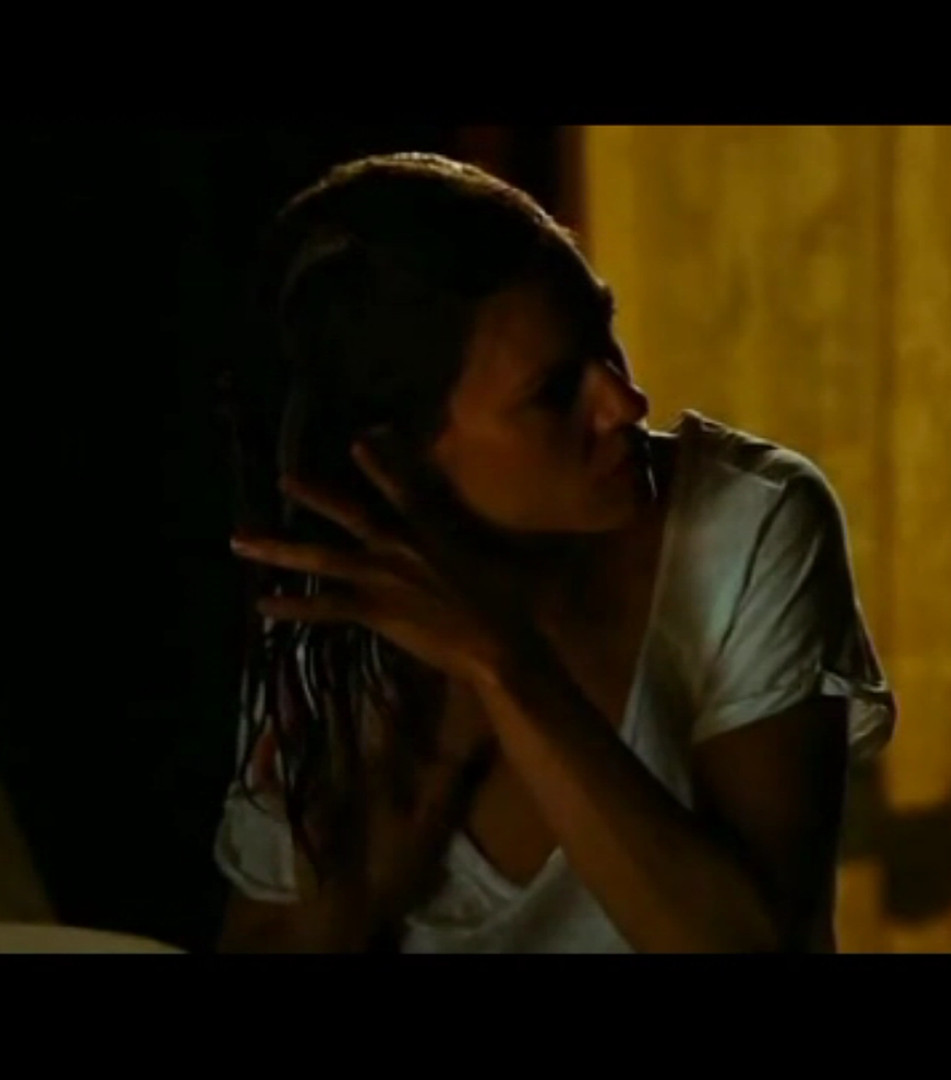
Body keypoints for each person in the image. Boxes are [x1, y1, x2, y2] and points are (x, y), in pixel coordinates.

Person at [212, 153, 895, 953]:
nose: (626, 403)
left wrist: (505, 665)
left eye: (605, 337)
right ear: (395, 457)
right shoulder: (341, 603)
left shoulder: (746, 523)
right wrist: (362, 876)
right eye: (555, 391)